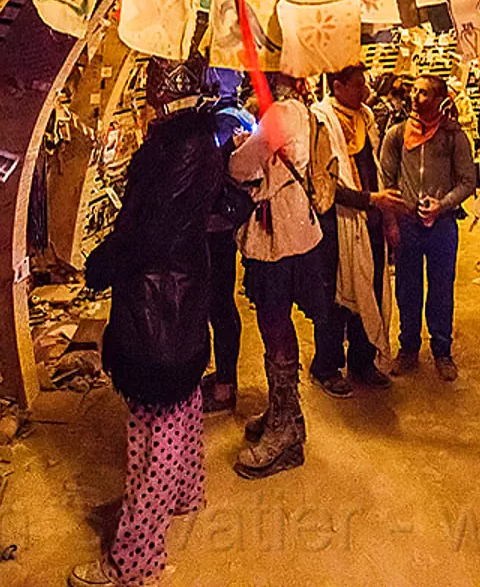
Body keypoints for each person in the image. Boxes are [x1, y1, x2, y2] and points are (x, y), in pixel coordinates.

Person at [73, 56, 221, 587]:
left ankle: (134, 562)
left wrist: (105, 263)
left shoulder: (173, 152)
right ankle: (186, 493)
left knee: (152, 433)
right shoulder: (200, 143)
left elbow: (149, 234)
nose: (143, 109)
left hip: (158, 305)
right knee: (181, 410)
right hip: (181, 296)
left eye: (150, 99)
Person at [227, 73, 325, 478]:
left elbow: (239, 167)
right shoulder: (298, 110)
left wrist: (239, 145)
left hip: (276, 237)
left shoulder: (280, 113)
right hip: (292, 229)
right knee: (277, 323)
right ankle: (284, 412)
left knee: (274, 324)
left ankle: (286, 431)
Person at [309, 64, 409, 396]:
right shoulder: (319, 121)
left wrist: (388, 216)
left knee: (371, 288)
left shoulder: (365, 117)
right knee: (335, 298)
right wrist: (371, 199)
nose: (364, 90)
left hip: (371, 220)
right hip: (335, 225)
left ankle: (362, 362)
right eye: (357, 85)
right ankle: (326, 367)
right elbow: (323, 184)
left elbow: (375, 169)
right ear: (337, 86)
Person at [379, 74, 478, 381]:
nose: (415, 98)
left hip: (442, 226)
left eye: (423, 94)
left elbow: (468, 181)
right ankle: (408, 348)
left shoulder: (453, 137)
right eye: (414, 92)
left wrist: (443, 204)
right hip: (408, 224)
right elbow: (387, 180)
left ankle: (442, 351)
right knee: (407, 289)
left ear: (438, 100)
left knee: (441, 289)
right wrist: (393, 220)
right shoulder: (396, 135)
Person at [201, 80, 257, 414]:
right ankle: (223, 377)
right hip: (220, 228)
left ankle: (225, 387)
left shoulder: (224, 121)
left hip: (215, 229)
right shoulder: (240, 118)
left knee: (219, 305)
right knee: (218, 304)